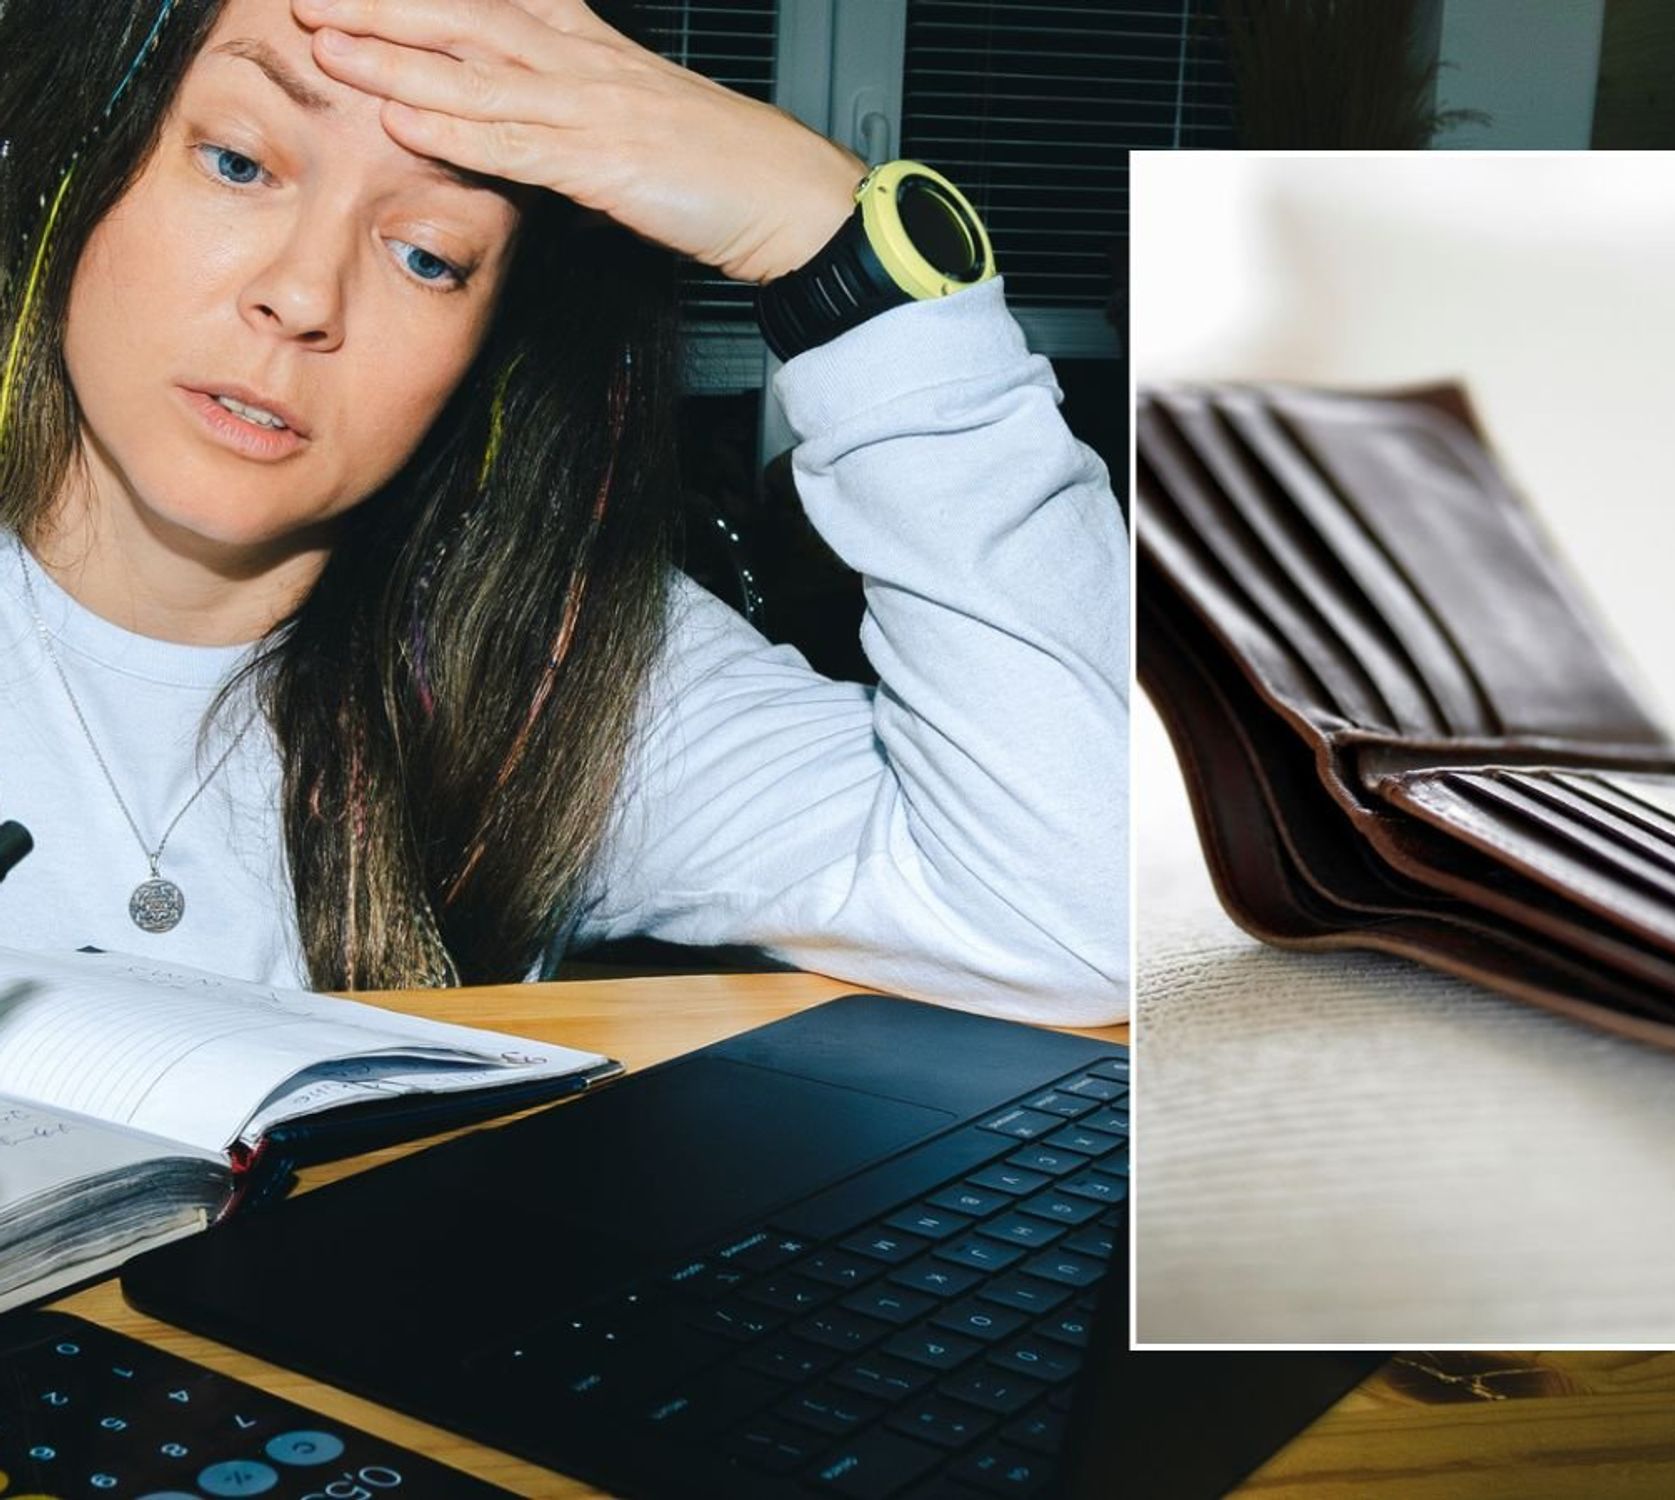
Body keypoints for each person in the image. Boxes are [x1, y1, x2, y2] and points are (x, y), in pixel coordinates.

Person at [0, 0, 1128, 1025]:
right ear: (72, 160)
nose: (302, 296)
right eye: (239, 163)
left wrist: (829, 236)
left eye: (427, 255)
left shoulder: (553, 666)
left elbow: (1093, 922)